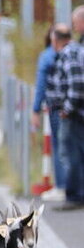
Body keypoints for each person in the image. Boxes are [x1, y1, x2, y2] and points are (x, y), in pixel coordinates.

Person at [48, 23, 84, 211]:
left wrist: (67, 109)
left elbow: (76, 83)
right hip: (76, 113)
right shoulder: (78, 50)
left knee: (70, 155)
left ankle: (74, 196)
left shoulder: (68, 53)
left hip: (72, 114)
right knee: (77, 154)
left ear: (56, 39)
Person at [31, 26, 66, 202]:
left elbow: (41, 85)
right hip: (73, 106)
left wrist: (35, 110)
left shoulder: (46, 56)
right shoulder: (75, 52)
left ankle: (61, 187)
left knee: (59, 147)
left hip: (56, 107)